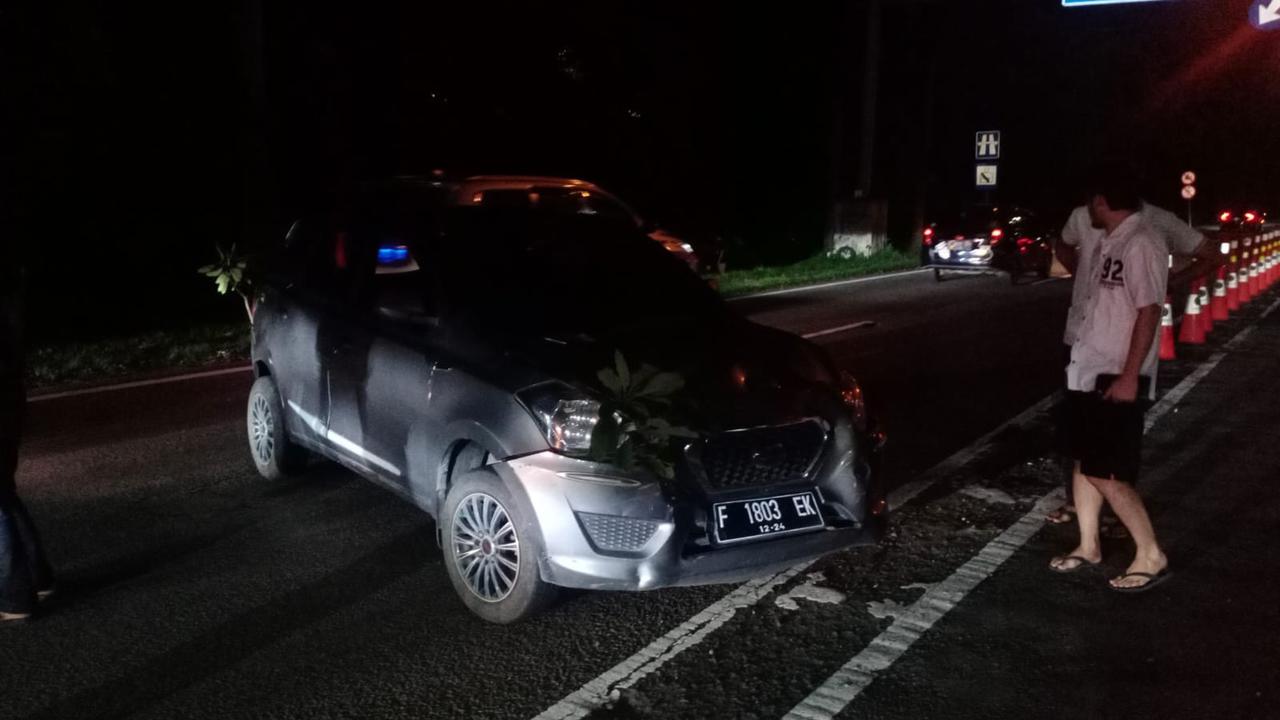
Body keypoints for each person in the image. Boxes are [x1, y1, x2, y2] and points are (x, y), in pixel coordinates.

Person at [1046, 200, 1219, 527]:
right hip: (1080, 340)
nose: (1091, 205)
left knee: (1118, 440)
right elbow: (1064, 246)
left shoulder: (1153, 227)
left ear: (1107, 200)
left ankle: (1119, 516)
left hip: (1123, 350)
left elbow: (1210, 254)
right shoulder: (1083, 217)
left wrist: (1166, 284)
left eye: (1097, 197)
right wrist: (1081, 274)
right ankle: (1082, 514)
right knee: (1079, 435)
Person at [1048, 172, 1171, 592]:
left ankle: (1150, 554)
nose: (1089, 211)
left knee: (1107, 471)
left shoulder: (1142, 243)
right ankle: (1089, 545)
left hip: (1115, 374)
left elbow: (1149, 310)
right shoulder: (1110, 242)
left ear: (1101, 201)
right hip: (1087, 368)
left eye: (1091, 203)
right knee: (1084, 460)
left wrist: (1129, 376)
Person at [1, 260, 55, 622]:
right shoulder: (10, 294)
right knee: (4, 493)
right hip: (8, 402)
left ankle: (14, 597)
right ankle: (38, 578)